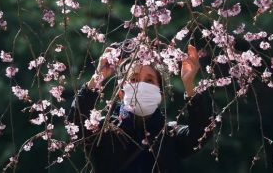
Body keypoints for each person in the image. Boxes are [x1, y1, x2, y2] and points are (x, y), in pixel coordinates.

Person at [67, 44, 211, 173]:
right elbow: (75, 122)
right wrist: (97, 77)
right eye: (134, 79)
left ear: (159, 94)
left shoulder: (169, 136)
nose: (141, 86)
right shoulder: (103, 131)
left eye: (149, 81)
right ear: (121, 93)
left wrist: (189, 84)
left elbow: (201, 132)